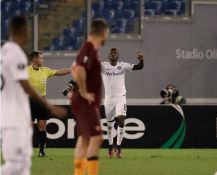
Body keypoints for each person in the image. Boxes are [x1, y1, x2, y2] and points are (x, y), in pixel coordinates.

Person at [0, 16, 66, 175]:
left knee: (22, 165)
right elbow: (24, 85)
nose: (29, 33)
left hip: (9, 114)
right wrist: (48, 105)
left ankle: (41, 150)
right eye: (28, 29)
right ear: (23, 30)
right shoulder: (16, 54)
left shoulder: (4, 52)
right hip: (16, 118)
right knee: (16, 165)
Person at [71, 19, 109, 175]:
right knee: (97, 138)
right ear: (103, 32)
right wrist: (84, 91)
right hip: (85, 102)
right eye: (107, 32)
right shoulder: (89, 47)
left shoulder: (89, 49)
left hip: (82, 101)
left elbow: (75, 69)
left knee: (84, 138)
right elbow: (78, 69)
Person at [101, 48, 144, 158]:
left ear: (118, 55)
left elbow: (140, 67)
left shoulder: (123, 65)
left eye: (115, 53)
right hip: (108, 99)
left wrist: (141, 60)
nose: (113, 54)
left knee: (121, 119)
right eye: (111, 53)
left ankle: (119, 146)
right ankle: (110, 146)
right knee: (110, 125)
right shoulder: (103, 66)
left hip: (121, 97)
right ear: (109, 55)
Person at [28, 51, 71, 157]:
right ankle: (24, 151)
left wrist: (72, 69)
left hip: (42, 102)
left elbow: (60, 72)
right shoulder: (25, 71)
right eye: (41, 58)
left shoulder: (45, 70)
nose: (43, 60)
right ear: (35, 59)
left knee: (42, 126)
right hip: (29, 101)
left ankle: (41, 151)